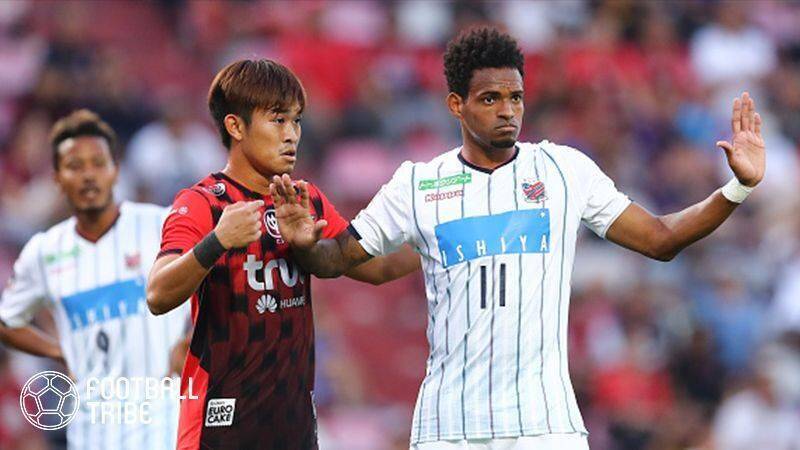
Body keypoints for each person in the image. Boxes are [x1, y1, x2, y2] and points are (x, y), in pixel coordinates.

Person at [269, 27, 766, 450]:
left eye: (516, 97)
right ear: (456, 105)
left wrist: (738, 188)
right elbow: (337, 260)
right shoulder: (417, 185)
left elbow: (661, 239)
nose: (508, 110)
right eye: (490, 99)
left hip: (546, 427)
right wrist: (305, 244)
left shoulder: (564, 170)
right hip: (450, 429)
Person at [145, 59, 419, 450]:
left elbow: (378, 267)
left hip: (293, 430)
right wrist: (217, 241)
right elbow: (158, 294)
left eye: (296, 121)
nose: (291, 135)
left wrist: (441, 236)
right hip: (219, 428)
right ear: (236, 126)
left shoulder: (304, 199)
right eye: (277, 120)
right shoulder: (203, 203)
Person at [0, 109, 189, 450]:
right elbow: (6, 321)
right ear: (57, 178)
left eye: (98, 163)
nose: (88, 175)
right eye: (75, 166)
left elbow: (217, 279)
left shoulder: (160, 225)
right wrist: (58, 351)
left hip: (165, 427)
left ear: (115, 169)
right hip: (93, 434)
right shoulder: (44, 251)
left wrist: (190, 337)